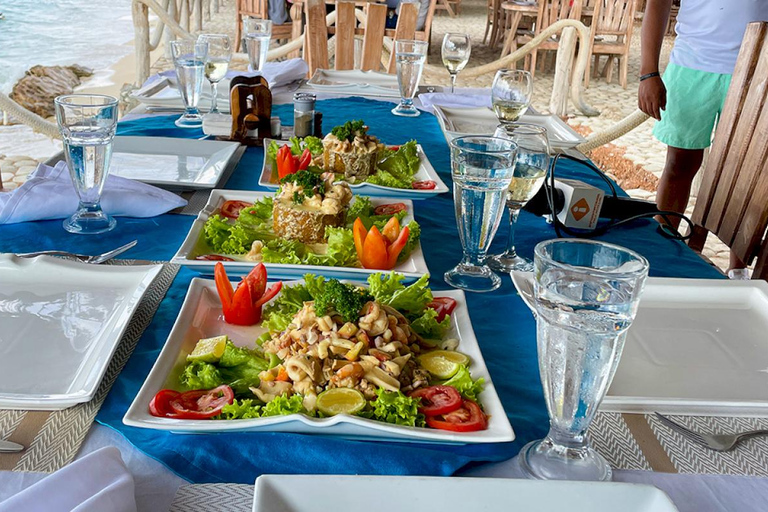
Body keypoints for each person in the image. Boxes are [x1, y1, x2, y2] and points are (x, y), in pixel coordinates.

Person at [638, 0, 768, 275]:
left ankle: (738, 270)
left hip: (758, 67)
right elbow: (657, 5)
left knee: (745, 176)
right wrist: (648, 73)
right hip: (692, 66)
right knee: (678, 166)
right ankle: (662, 253)